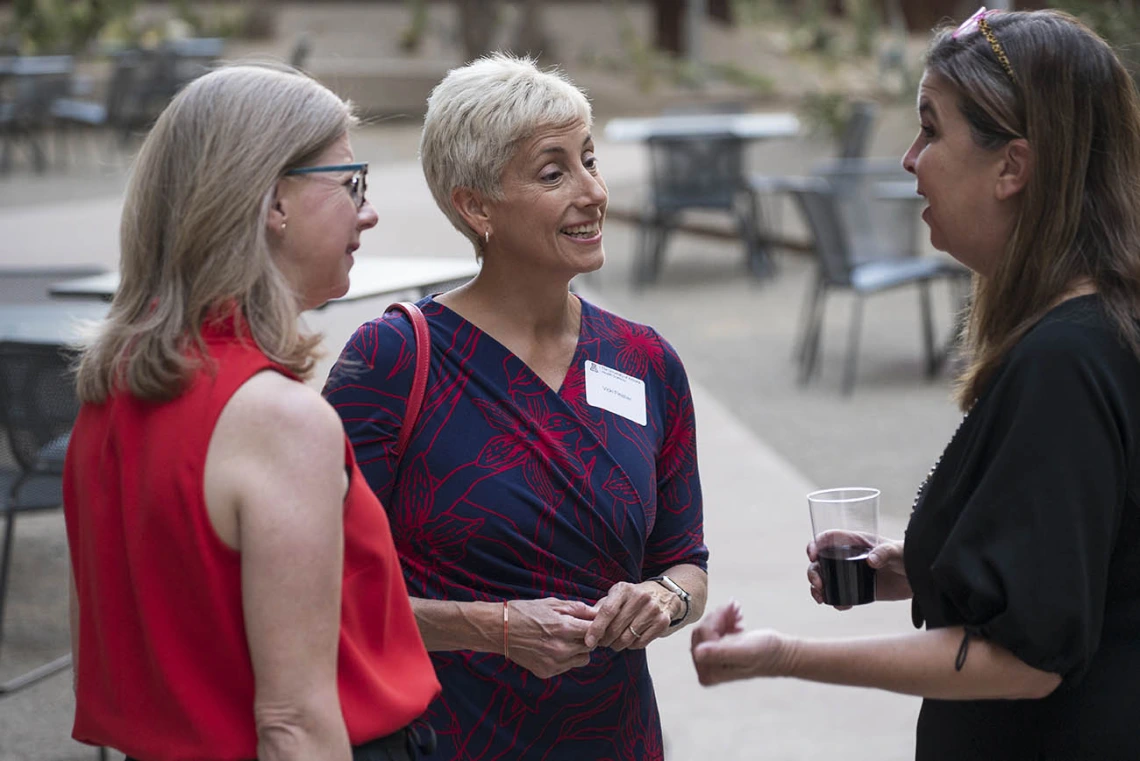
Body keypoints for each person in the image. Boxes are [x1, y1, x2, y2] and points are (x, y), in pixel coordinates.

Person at [690, 9, 1140, 760]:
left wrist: (783, 655)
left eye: (932, 129)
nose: (909, 158)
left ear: (1012, 166)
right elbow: (1085, 558)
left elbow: (1025, 658)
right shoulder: (1097, 330)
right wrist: (922, 566)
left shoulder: (1067, 359)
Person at [323, 54, 708, 760]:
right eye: (553, 172)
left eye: (590, 160)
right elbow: (323, 597)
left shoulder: (647, 361)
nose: (593, 191)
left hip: (618, 738)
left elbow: (685, 561)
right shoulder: (393, 362)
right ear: (476, 207)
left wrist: (664, 599)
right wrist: (490, 625)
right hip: (448, 739)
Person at [63, 63, 440, 761]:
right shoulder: (275, 418)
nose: (369, 210)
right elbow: (294, 725)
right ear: (274, 201)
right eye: (351, 180)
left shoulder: (109, 393)